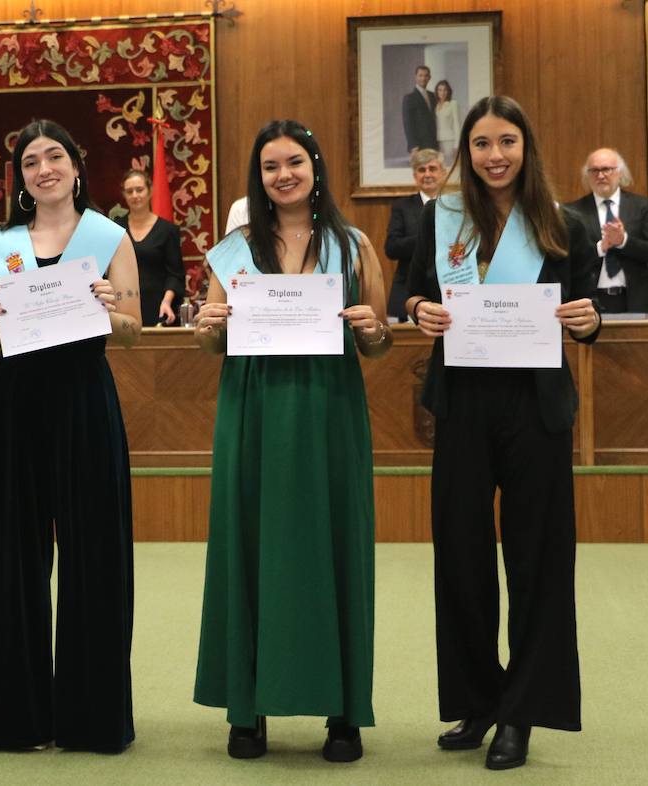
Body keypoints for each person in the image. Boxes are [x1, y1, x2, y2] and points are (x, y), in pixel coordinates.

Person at [404, 96, 600, 771]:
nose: (495, 155)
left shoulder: (564, 222)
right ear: (467, 150)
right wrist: (419, 308)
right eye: (482, 143)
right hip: (460, 400)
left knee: (538, 558)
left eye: (507, 142)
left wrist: (588, 321)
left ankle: (523, 710)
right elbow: (412, 290)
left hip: (535, 405)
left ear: (526, 147)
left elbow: (587, 310)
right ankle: (478, 698)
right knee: (459, 552)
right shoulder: (444, 217)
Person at [193, 119, 392, 764]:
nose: (284, 174)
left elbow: (380, 340)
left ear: (316, 167)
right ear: (260, 176)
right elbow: (210, 339)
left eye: (295, 162)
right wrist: (207, 323)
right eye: (271, 165)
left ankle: (344, 713)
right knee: (248, 543)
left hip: (329, 406)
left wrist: (370, 327)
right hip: (251, 404)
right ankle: (246, 711)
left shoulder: (354, 242)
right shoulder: (234, 248)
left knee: (335, 545)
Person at [0, 119, 143, 753]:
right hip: (16, 403)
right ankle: (15, 718)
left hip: (84, 400)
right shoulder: (0, 243)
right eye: (31, 161)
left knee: (94, 555)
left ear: (76, 166)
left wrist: (107, 305)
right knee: (12, 557)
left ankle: (91, 720)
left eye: (55, 157)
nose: (43, 168)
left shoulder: (108, 236)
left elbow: (131, 331)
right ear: (21, 178)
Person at [564, 148, 648, 314]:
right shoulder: (573, 212)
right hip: (590, 303)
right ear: (587, 176)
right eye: (594, 170)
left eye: (606, 169)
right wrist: (600, 248)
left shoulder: (640, 206)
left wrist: (623, 241)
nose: (600, 175)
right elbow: (567, 261)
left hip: (635, 301)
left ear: (620, 173)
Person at [117, 169, 185, 325]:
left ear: (150, 191)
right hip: (124, 309)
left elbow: (175, 274)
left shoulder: (168, 230)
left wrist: (167, 302)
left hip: (160, 308)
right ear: (124, 195)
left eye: (139, 190)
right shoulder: (115, 229)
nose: (135, 195)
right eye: (129, 191)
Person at [385, 148, 446, 320]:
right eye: (421, 170)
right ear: (414, 176)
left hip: (444, 289)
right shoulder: (402, 207)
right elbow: (392, 248)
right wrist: (427, 237)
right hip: (407, 291)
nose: (427, 174)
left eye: (432, 169)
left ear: (443, 172)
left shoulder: (453, 207)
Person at [402, 65, 437, 153]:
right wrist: (413, 144)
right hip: (419, 145)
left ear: (429, 78)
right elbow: (407, 123)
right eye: (420, 75)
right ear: (415, 77)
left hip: (434, 142)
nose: (423, 78)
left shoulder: (433, 96)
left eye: (426, 76)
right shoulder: (409, 98)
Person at [434, 79, 461, 163]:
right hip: (437, 141)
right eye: (440, 90)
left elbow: (457, 125)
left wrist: (457, 145)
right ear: (437, 92)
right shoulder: (435, 105)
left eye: (445, 90)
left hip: (449, 140)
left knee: (450, 165)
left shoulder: (453, 104)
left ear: (448, 91)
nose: (442, 92)